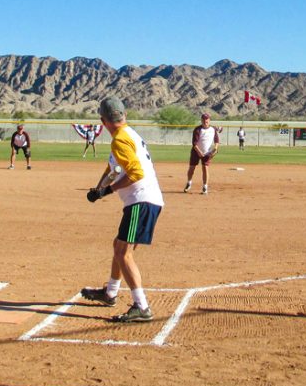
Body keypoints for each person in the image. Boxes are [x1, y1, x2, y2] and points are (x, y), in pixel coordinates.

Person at [80, 96, 164, 323]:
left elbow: (136, 174)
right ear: (124, 116)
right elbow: (112, 167)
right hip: (144, 200)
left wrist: (106, 192)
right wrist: (98, 189)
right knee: (118, 246)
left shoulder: (119, 140)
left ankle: (141, 306)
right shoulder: (127, 134)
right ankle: (110, 293)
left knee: (123, 253)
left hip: (141, 201)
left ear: (102, 120)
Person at [184, 113, 219, 194]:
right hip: (196, 151)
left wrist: (215, 148)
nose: (205, 120)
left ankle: (205, 187)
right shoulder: (197, 130)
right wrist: (199, 152)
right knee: (192, 168)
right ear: (201, 120)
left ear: (209, 120)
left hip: (207, 152)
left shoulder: (213, 129)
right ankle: (189, 182)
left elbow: (217, 141)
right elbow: (194, 144)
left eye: (207, 119)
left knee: (205, 168)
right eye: (203, 119)